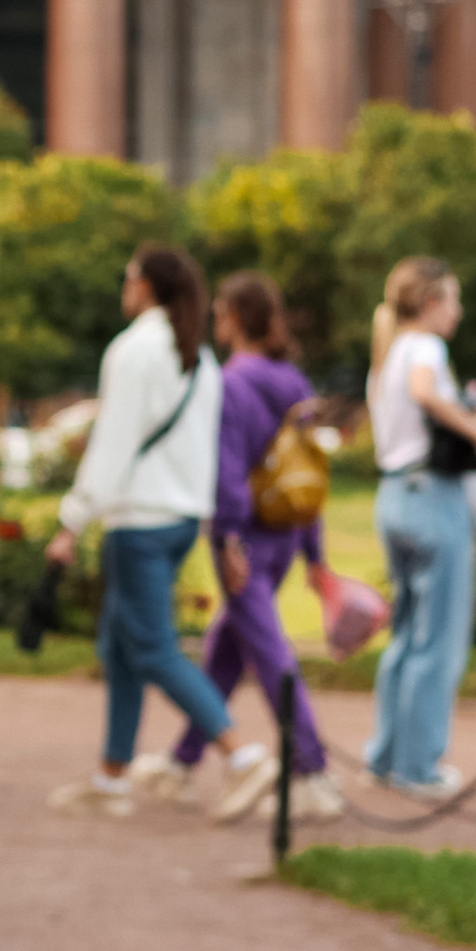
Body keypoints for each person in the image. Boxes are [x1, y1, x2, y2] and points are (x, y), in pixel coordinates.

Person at [41, 249, 269, 819]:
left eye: (129, 276)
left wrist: (74, 518)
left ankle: (242, 756)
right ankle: (112, 777)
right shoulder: (198, 357)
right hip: (179, 520)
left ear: (146, 286)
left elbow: (112, 443)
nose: (125, 285)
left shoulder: (134, 350)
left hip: (138, 520)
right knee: (119, 651)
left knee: (153, 649)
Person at [154, 271, 345, 824]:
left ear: (236, 318)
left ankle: (314, 772)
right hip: (286, 538)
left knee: (270, 655)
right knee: (228, 651)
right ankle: (182, 762)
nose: (216, 321)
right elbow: (308, 474)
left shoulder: (231, 383)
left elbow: (228, 470)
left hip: (247, 544)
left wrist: (227, 539)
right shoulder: (294, 382)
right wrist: (314, 553)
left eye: (220, 312)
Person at [362, 259, 476, 796]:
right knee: (439, 640)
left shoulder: (389, 352)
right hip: (430, 496)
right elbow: (425, 392)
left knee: (407, 636)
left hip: (394, 493)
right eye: (454, 301)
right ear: (433, 302)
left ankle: (388, 754)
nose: (458, 312)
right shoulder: (425, 349)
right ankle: (419, 765)